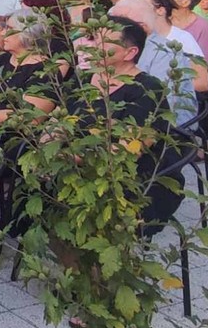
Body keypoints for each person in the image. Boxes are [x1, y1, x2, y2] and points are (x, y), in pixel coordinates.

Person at [62, 16, 184, 236]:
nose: (95, 48)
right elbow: (57, 119)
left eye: (105, 43)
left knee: (86, 224)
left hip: (132, 181)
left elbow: (128, 151)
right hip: (77, 170)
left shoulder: (146, 89)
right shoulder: (83, 79)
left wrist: (68, 157)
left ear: (130, 53)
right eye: (93, 40)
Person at [109, 0, 205, 128]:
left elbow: (160, 104)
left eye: (115, 25)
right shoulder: (110, 51)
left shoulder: (165, 54)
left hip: (166, 131)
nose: (107, 31)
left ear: (142, 27)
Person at [0, 9, 62, 131]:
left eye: (9, 29)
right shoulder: (2, 59)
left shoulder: (46, 71)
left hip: (5, 137)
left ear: (28, 34)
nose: (2, 33)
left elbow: (31, 118)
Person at [172, 0, 208, 152]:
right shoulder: (164, 22)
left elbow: (205, 61)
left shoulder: (201, 25)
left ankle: (203, 144)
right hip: (170, 76)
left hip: (195, 76)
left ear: (186, 2)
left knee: (206, 94)